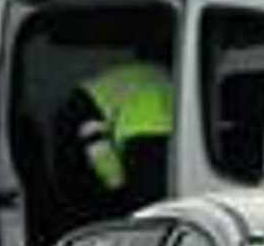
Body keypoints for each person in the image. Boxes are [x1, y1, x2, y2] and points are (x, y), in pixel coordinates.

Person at [51, 57, 174, 227]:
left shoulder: (81, 105)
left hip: (141, 130)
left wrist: (116, 192)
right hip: (154, 129)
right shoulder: (164, 76)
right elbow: (99, 152)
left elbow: (99, 153)